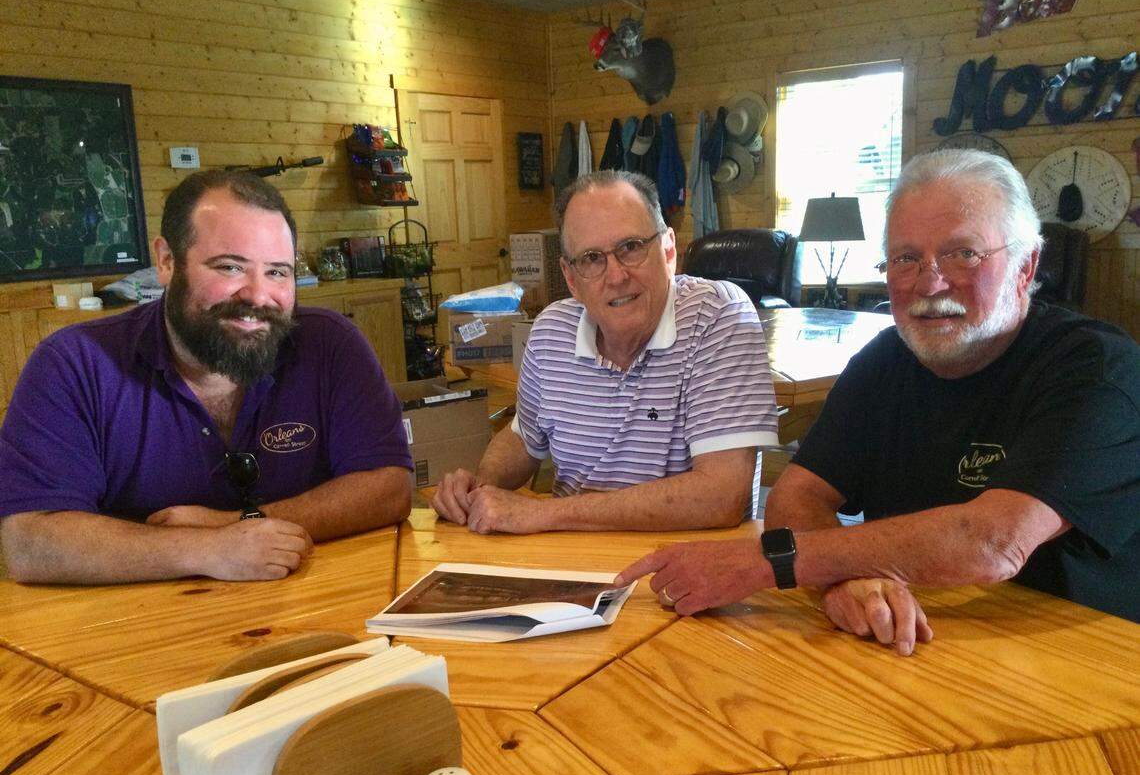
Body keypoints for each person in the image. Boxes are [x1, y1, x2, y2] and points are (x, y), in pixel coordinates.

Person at [615, 149, 1140, 652]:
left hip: (1080, 656)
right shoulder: (887, 360)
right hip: (905, 642)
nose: (930, 282)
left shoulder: (1096, 368)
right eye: (906, 258)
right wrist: (845, 582)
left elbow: (994, 542)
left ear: (1026, 267)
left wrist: (770, 563)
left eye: (963, 253)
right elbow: (796, 498)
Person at [0, 170, 413, 584]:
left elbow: (390, 487)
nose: (257, 295)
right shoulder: (76, 363)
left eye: (277, 272)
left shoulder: (329, 344)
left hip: (313, 609)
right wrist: (209, 550)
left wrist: (234, 523)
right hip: (134, 629)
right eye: (230, 267)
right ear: (166, 261)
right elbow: (30, 540)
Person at [432, 170, 778, 533]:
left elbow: (721, 497)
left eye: (631, 247)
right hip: (572, 560)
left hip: (686, 568)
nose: (615, 276)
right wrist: (480, 489)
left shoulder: (719, 315)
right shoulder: (551, 330)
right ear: (570, 278)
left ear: (669, 250)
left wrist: (542, 514)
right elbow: (523, 437)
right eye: (592, 258)